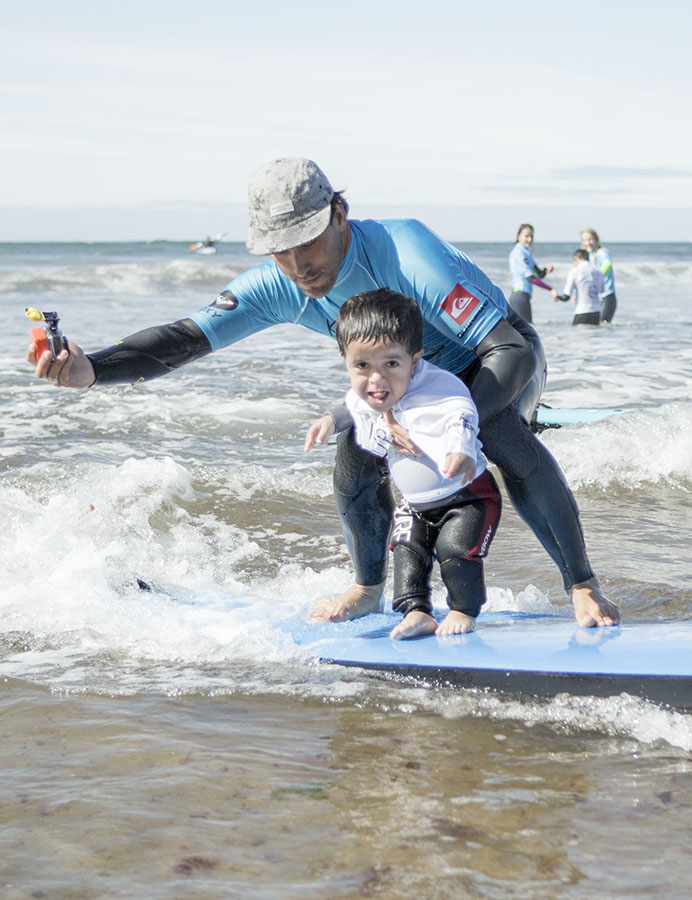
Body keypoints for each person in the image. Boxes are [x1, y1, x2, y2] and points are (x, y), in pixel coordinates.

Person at [28, 157, 619, 629]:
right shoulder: (279, 284)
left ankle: (582, 584)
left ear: (340, 212)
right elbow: (183, 339)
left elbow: (509, 352)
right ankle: (367, 588)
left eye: (306, 240)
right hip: (398, 383)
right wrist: (92, 370)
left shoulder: (405, 251)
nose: (297, 263)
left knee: (496, 432)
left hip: (497, 361)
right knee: (355, 444)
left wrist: (445, 421)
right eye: (278, 250)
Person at [307, 289, 501, 640]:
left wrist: (460, 449)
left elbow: (462, 414)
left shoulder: (439, 388)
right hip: (416, 505)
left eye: (391, 364)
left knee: (455, 552)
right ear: (344, 358)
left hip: (467, 497)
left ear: (415, 359)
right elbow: (352, 406)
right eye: (362, 366)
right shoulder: (367, 392)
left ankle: (463, 610)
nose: (377, 379)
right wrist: (328, 422)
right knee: (406, 551)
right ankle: (417, 613)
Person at [507, 224, 553, 324]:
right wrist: (551, 289)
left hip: (524, 296)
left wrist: (546, 270)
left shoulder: (526, 253)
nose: (530, 239)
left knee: (527, 332)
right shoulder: (519, 253)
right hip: (519, 296)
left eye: (531, 236)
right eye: (526, 236)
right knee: (527, 332)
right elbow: (531, 278)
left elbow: (539, 274)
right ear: (518, 236)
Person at [552, 249, 605, 326]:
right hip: (597, 312)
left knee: (578, 337)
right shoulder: (598, 271)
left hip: (582, 312)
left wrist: (556, 297)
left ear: (575, 259)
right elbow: (601, 290)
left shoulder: (575, 271)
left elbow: (566, 297)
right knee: (594, 337)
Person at [580, 228, 617, 323]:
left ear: (596, 240)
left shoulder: (602, 252)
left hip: (607, 296)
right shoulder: (589, 255)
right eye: (585, 240)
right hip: (595, 297)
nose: (588, 243)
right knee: (595, 327)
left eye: (590, 239)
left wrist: (598, 276)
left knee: (604, 324)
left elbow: (607, 264)